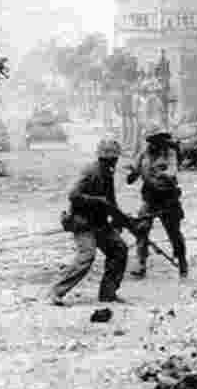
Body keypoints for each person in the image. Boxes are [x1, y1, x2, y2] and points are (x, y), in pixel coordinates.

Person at [50, 137, 130, 305]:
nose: (111, 162)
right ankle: (57, 291)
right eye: (107, 159)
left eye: (113, 159)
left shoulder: (108, 173)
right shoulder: (90, 171)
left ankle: (108, 293)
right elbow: (73, 195)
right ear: (100, 158)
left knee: (119, 249)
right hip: (83, 222)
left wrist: (120, 220)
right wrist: (97, 201)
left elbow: (110, 200)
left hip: (99, 223)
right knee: (87, 256)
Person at [126, 124, 188, 279]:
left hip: (168, 198)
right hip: (150, 198)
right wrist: (133, 173)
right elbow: (133, 173)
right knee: (142, 228)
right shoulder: (144, 154)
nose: (156, 143)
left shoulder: (170, 153)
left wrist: (164, 174)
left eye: (160, 139)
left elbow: (172, 170)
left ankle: (182, 261)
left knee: (173, 232)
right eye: (153, 140)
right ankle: (140, 262)